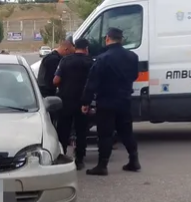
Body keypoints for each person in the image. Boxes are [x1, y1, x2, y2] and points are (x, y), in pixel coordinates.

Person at [80, 27, 141, 176]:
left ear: (107, 39)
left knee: (105, 133)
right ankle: (134, 160)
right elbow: (134, 76)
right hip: (125, 99)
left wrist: (85, 102)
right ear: (122, 40)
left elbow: (92, 82)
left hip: (106, 101)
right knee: (126, 131)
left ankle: (102, 165)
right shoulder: (132, 56)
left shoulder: (103, 58)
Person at [53, 38, 93, 170]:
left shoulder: (65, 60)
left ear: (75, 48)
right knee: (81, 131)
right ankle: (80, 159)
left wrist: (64, 85)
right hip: (83, 102)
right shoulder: (90, 62)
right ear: (86, 49)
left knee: (63, 129)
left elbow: (56, 80)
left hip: (66, 100)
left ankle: (62, 156)